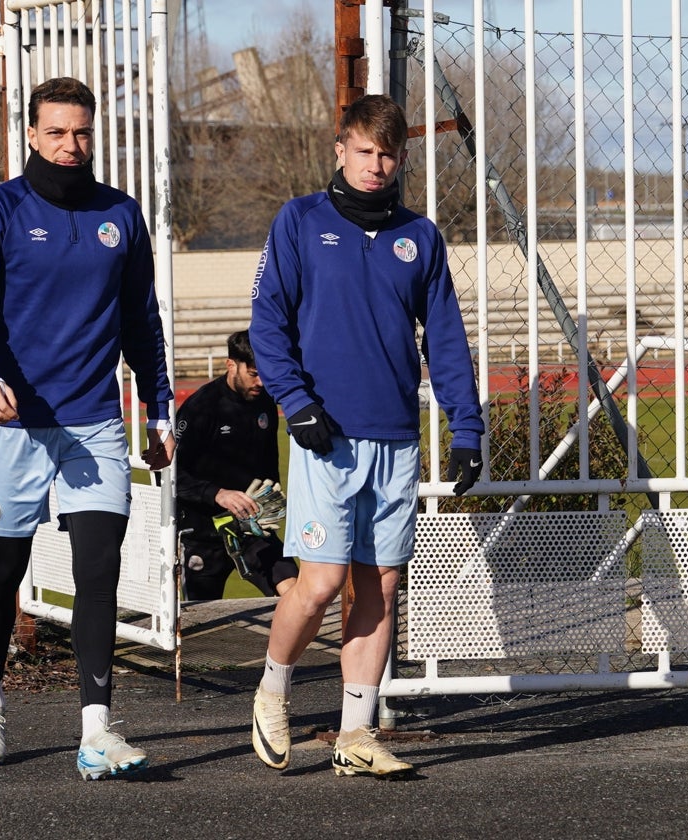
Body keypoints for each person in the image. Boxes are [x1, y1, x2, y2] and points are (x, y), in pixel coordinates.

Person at [0, 76, 175, 780]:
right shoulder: (0, 210)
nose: (71, 145)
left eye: (82, 132)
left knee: (98, 568)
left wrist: (159, 408)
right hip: (16, 425)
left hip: (95, 422)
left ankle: (97, 732)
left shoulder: (120, 216)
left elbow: (141, 322)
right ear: (33, 136)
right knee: (3, 569)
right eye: (58, 133)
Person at [247, 94, 484, 777]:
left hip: (395, 437)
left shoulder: (420, 237)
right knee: (319, 584)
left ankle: (356, 733)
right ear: (340, 148)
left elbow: (445, 340)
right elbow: (268, 324)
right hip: (324, 434)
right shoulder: (299, 222)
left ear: (402, 158)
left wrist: (464, 429)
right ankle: (272, 690)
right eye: (364, 151)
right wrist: (296, 402)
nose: (376, 166)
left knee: (380, 583)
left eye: (388, 155)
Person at [174, 329, 298, 600]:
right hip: (203, 534)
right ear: (231, 364)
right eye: (254, 373)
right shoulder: (200, 408)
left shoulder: (264, 402)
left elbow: (268, 462)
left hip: (251, 528)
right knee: (202, 621)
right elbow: (170, 475)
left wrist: (270, 502)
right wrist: (218, 494)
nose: (262, 382)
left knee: (295, 595)